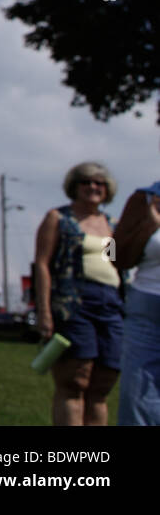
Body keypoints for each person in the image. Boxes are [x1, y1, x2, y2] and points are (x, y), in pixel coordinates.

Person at [34, 161, 124, 426]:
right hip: (73, 304)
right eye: (86, 182)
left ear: (107, 190)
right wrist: (45, 311)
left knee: (102, 384)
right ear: (74, 186)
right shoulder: (59, 218)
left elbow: (114, 262)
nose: (93, 187)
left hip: (110, 305)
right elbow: (42, 263)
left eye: (99, 183)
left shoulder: (111, 224)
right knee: (75, 380)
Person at [114, 178, 160, 425]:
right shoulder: (144, 198)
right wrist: (147, 229)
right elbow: (111, 253)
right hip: (148, 307)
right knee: (137, 390)